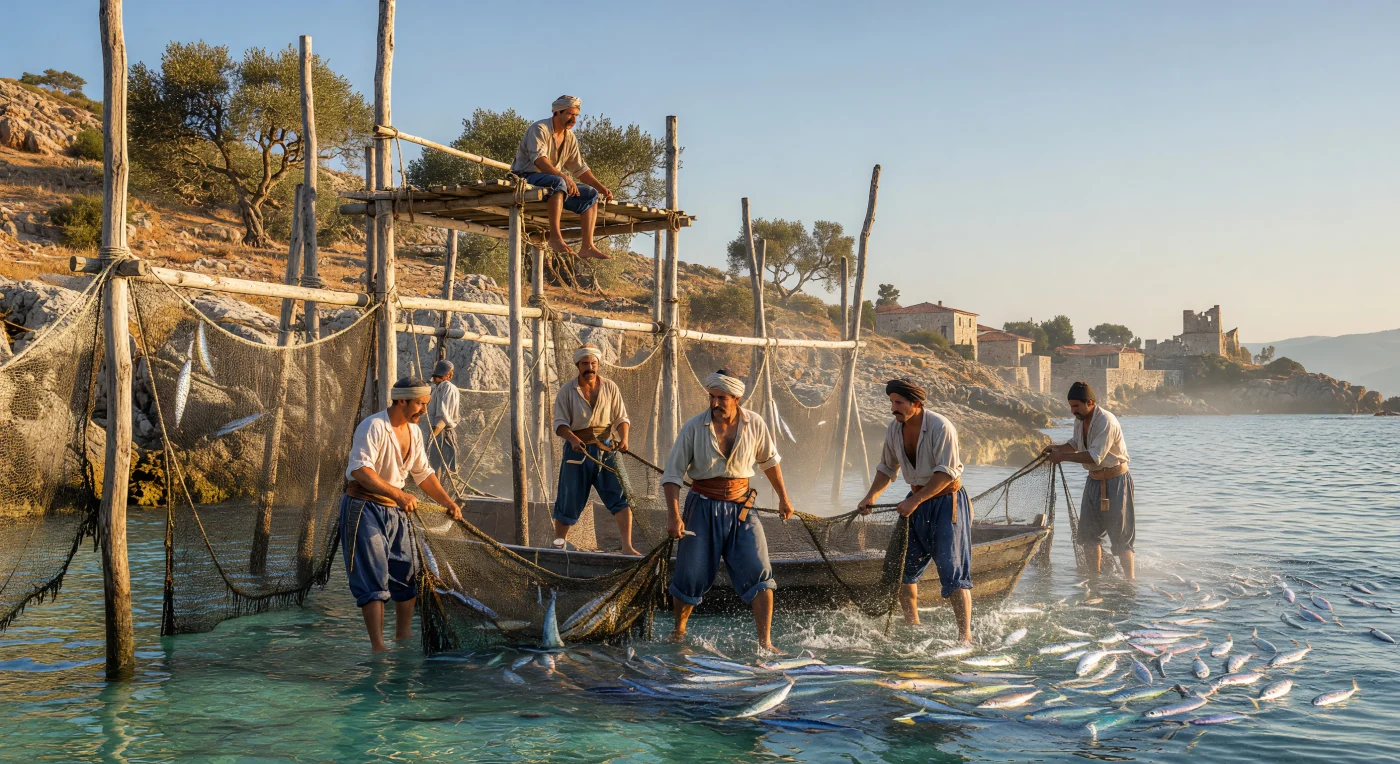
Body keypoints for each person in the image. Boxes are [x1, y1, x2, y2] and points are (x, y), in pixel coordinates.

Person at [663, 369, 795, 653]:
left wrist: (784, 498)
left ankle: (765, 642)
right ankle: (679, 631)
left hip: (742, 508)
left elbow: (770, 462)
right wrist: (674, 515)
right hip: (701, 507)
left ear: (737, 398)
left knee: (760, 572)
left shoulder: (755, 423)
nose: (714, 403)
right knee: (689, 574)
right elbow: (672, 476)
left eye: (721, 397)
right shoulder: (693, 427)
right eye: (711, 397)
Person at [341, 376, 462, 652]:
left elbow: (423, 474)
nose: (423, 410)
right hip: (364, 508)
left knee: (406, 572)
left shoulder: (415, 432)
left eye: (425, 404)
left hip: (395, 512)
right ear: (402, 400)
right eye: (420, 403)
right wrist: (398, 494)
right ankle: (379, 647)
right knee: (373, 575)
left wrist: (447, 502)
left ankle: (403, 637)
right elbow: (361, 470)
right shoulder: (372, 426)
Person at [857, 378, 974, 643]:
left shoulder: (940, 427)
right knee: (903, 569)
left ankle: (965, 636)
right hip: (917, 502)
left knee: (953, 571)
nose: (893, 409)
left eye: (898, 403)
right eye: (891, 403)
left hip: (947, 501)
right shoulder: (894, 428)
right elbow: (887, 468)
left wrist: (914, 500)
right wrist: (870, 497)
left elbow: (946, 474)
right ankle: (913, 625)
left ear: (916, 403)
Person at [1042, 381, 1135, 579]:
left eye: (1076, 406)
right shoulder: (1080, 419)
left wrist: (1062, 457)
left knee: (1121, 538)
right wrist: (1057, 449)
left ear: (1090, 402)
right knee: (1089, 537)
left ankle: (1130, 582)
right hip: (1093, 480)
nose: (1072, 410)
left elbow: (1095, 457)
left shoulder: (1106, 421)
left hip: (1116, 480)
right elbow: (1075, 444)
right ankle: (1094, 580)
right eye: (1071, 406)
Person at [551, 344, 638, 555]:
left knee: (620, 496)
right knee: (568, 499)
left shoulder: (610, 387)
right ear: (577, 366)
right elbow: (560, 424)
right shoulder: (567, 391)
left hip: (606, 449)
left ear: (598, 365)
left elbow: (621, 417)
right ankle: (558, 546)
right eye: (585, 364)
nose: (589, 368)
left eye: (593, 364)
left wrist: (624, 438)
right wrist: (572, 439)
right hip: (577, 452)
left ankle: (627, 546)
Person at [510, 94, 615, 260]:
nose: (573, 119)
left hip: (551, 181)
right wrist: (563, 177)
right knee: (558, 182)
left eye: (576, 115)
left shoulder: (570, 137)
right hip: (525, 177)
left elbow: (580, 168)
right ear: (556, 112)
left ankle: (587, 246)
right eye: (569, 114)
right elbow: (539, 160)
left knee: (590, 193)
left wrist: (601, 187)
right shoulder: (540, 129)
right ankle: (555, 238)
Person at [427, 360, 461, 500]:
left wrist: (431, 437)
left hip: (443, 431)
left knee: (443, 465)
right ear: (448, 374)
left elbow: (443, 416)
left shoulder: (447, 387)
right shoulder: (438, 387)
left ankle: (443, 496)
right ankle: (438, 495)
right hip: (436, 430)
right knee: (437, 465)